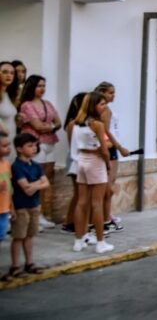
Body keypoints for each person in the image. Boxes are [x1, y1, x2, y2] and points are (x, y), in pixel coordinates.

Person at [70, 92, 114, 254]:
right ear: (93, 105)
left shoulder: (78, 123)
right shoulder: (97, 124)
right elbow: (104, 148)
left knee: (82, 202)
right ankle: (101, 242)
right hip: (95, 162)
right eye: (101, 104)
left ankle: (78, 240)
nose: (104, 107)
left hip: (82, 160)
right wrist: (108, 163)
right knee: (97, 203)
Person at [18, 75, 61, 229]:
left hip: (50, 143)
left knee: (47, 178)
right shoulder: (27, 105)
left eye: (44, 85)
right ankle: (33, 215)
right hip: (36, 143)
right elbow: (38, 126)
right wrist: (50, 126)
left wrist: (50, 126)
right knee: (35, 178)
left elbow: (58, 122)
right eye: (39, 86)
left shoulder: (47, 103)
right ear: (32, 87)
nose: (42, 89)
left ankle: (42, 214)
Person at [8, 133, 49, 278]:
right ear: (19, 149)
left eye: (35, 145)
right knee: (19, 236)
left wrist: (35, 185)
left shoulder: (36, 166)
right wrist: (39, 184)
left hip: (34, 205)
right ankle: (14, 266)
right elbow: (26, 189)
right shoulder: (17, 166)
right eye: (29, 146)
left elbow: (46, 183)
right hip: (21, 206)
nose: (34, 148)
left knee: (30, 235)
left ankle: (29, 263)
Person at [95, 82, 130, 233]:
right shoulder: (105, 111)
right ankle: (105, 219)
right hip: (111, 148)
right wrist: (119, 146)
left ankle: (106, 216)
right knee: (108, 187)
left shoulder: (106, 109)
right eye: (110, 93)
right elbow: (107, 132)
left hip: (112, 147)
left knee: (109, 185)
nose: (113, 96)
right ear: (102, 93)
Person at [60, 93, 87, 235]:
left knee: (80, 194)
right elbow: (74, 146)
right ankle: (69, 221)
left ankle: (73, 221)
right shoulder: (73, 124)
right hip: (75, 160)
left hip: (83, 160)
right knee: (78, 194)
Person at [0, 132, 13, 259]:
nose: (8, 148)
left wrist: (11, 207)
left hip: (4, 208)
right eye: (4, 146)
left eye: (8, 145)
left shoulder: (6, 164)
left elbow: (9, 188)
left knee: (1, 235)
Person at [0, 62, 18, 147]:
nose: (9, 75)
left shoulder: (10, 95)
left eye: (12, 73)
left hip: (11, 140)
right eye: (5, 72)